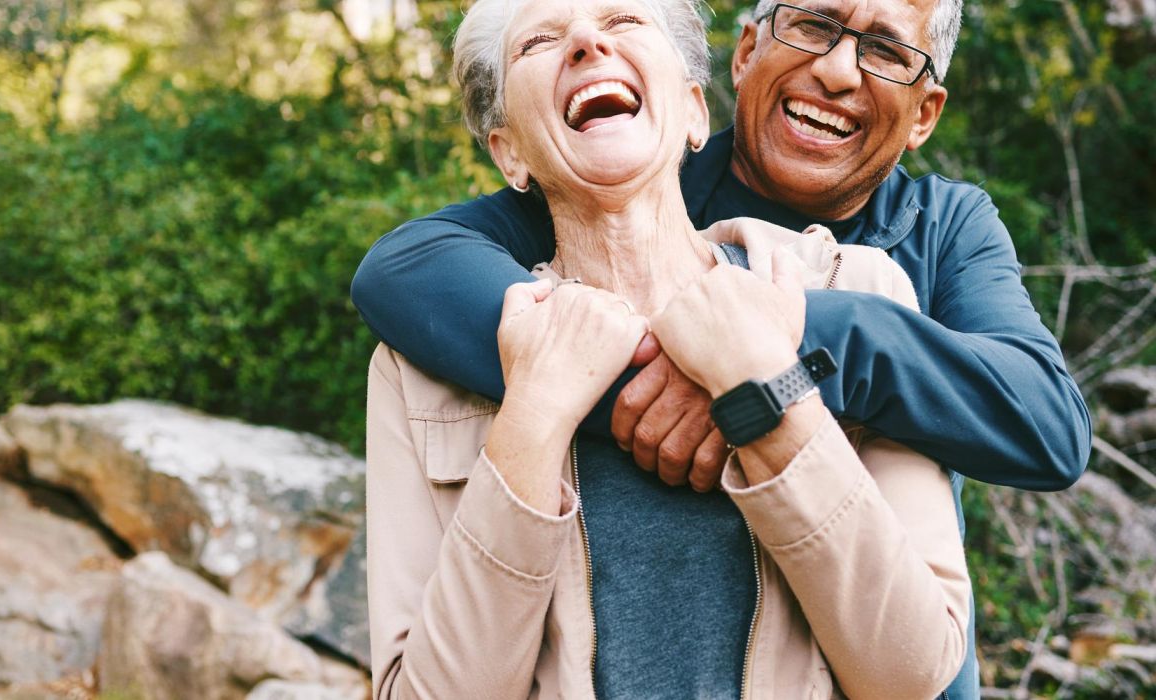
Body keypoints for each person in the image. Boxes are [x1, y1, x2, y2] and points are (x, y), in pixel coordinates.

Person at [352, 0, 1093, 695]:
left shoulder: (923, 240)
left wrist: (779, 358)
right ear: (740, 58)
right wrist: (567, 392)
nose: (837, 70)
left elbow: (1047, 427)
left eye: (885, 50)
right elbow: (400, 267)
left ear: (690, 108)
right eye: (813, 25)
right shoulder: (614, 167)